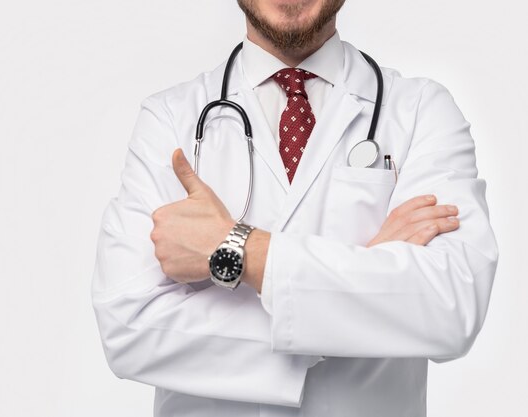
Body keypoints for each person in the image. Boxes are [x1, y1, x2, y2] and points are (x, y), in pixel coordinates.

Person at [91, 1, 499, 416]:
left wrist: (238, 250)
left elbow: (449, 308)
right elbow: (129, 326)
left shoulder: (419, 111)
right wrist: (366, 284)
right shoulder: (170, 118)